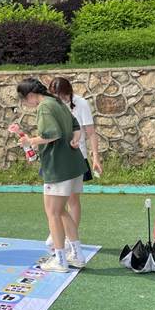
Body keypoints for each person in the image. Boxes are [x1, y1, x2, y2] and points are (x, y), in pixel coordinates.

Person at [16, 77, 88, 272]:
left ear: (30, 95)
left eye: (24, 100)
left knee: (53, 212)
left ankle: (60, 260)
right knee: (61, 211)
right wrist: (75, 138)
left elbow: (52, 134)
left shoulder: (44, 107)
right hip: (74, 164)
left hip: (58, 167)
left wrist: (29, 141)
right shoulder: (56, 101)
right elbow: (76, 127)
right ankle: (78, 255)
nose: (25, 104)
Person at [45, 77, 103, 250]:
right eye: (55, 95)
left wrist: (95, 158)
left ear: (69, 92)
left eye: (62, 95)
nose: (59, 99)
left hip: (78, 158)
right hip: (59, 159)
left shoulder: (81, 103)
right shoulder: (50, 105)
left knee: (72, 200)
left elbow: (91, 133)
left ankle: (71, 238)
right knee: (57, 202)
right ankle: (58, 233)